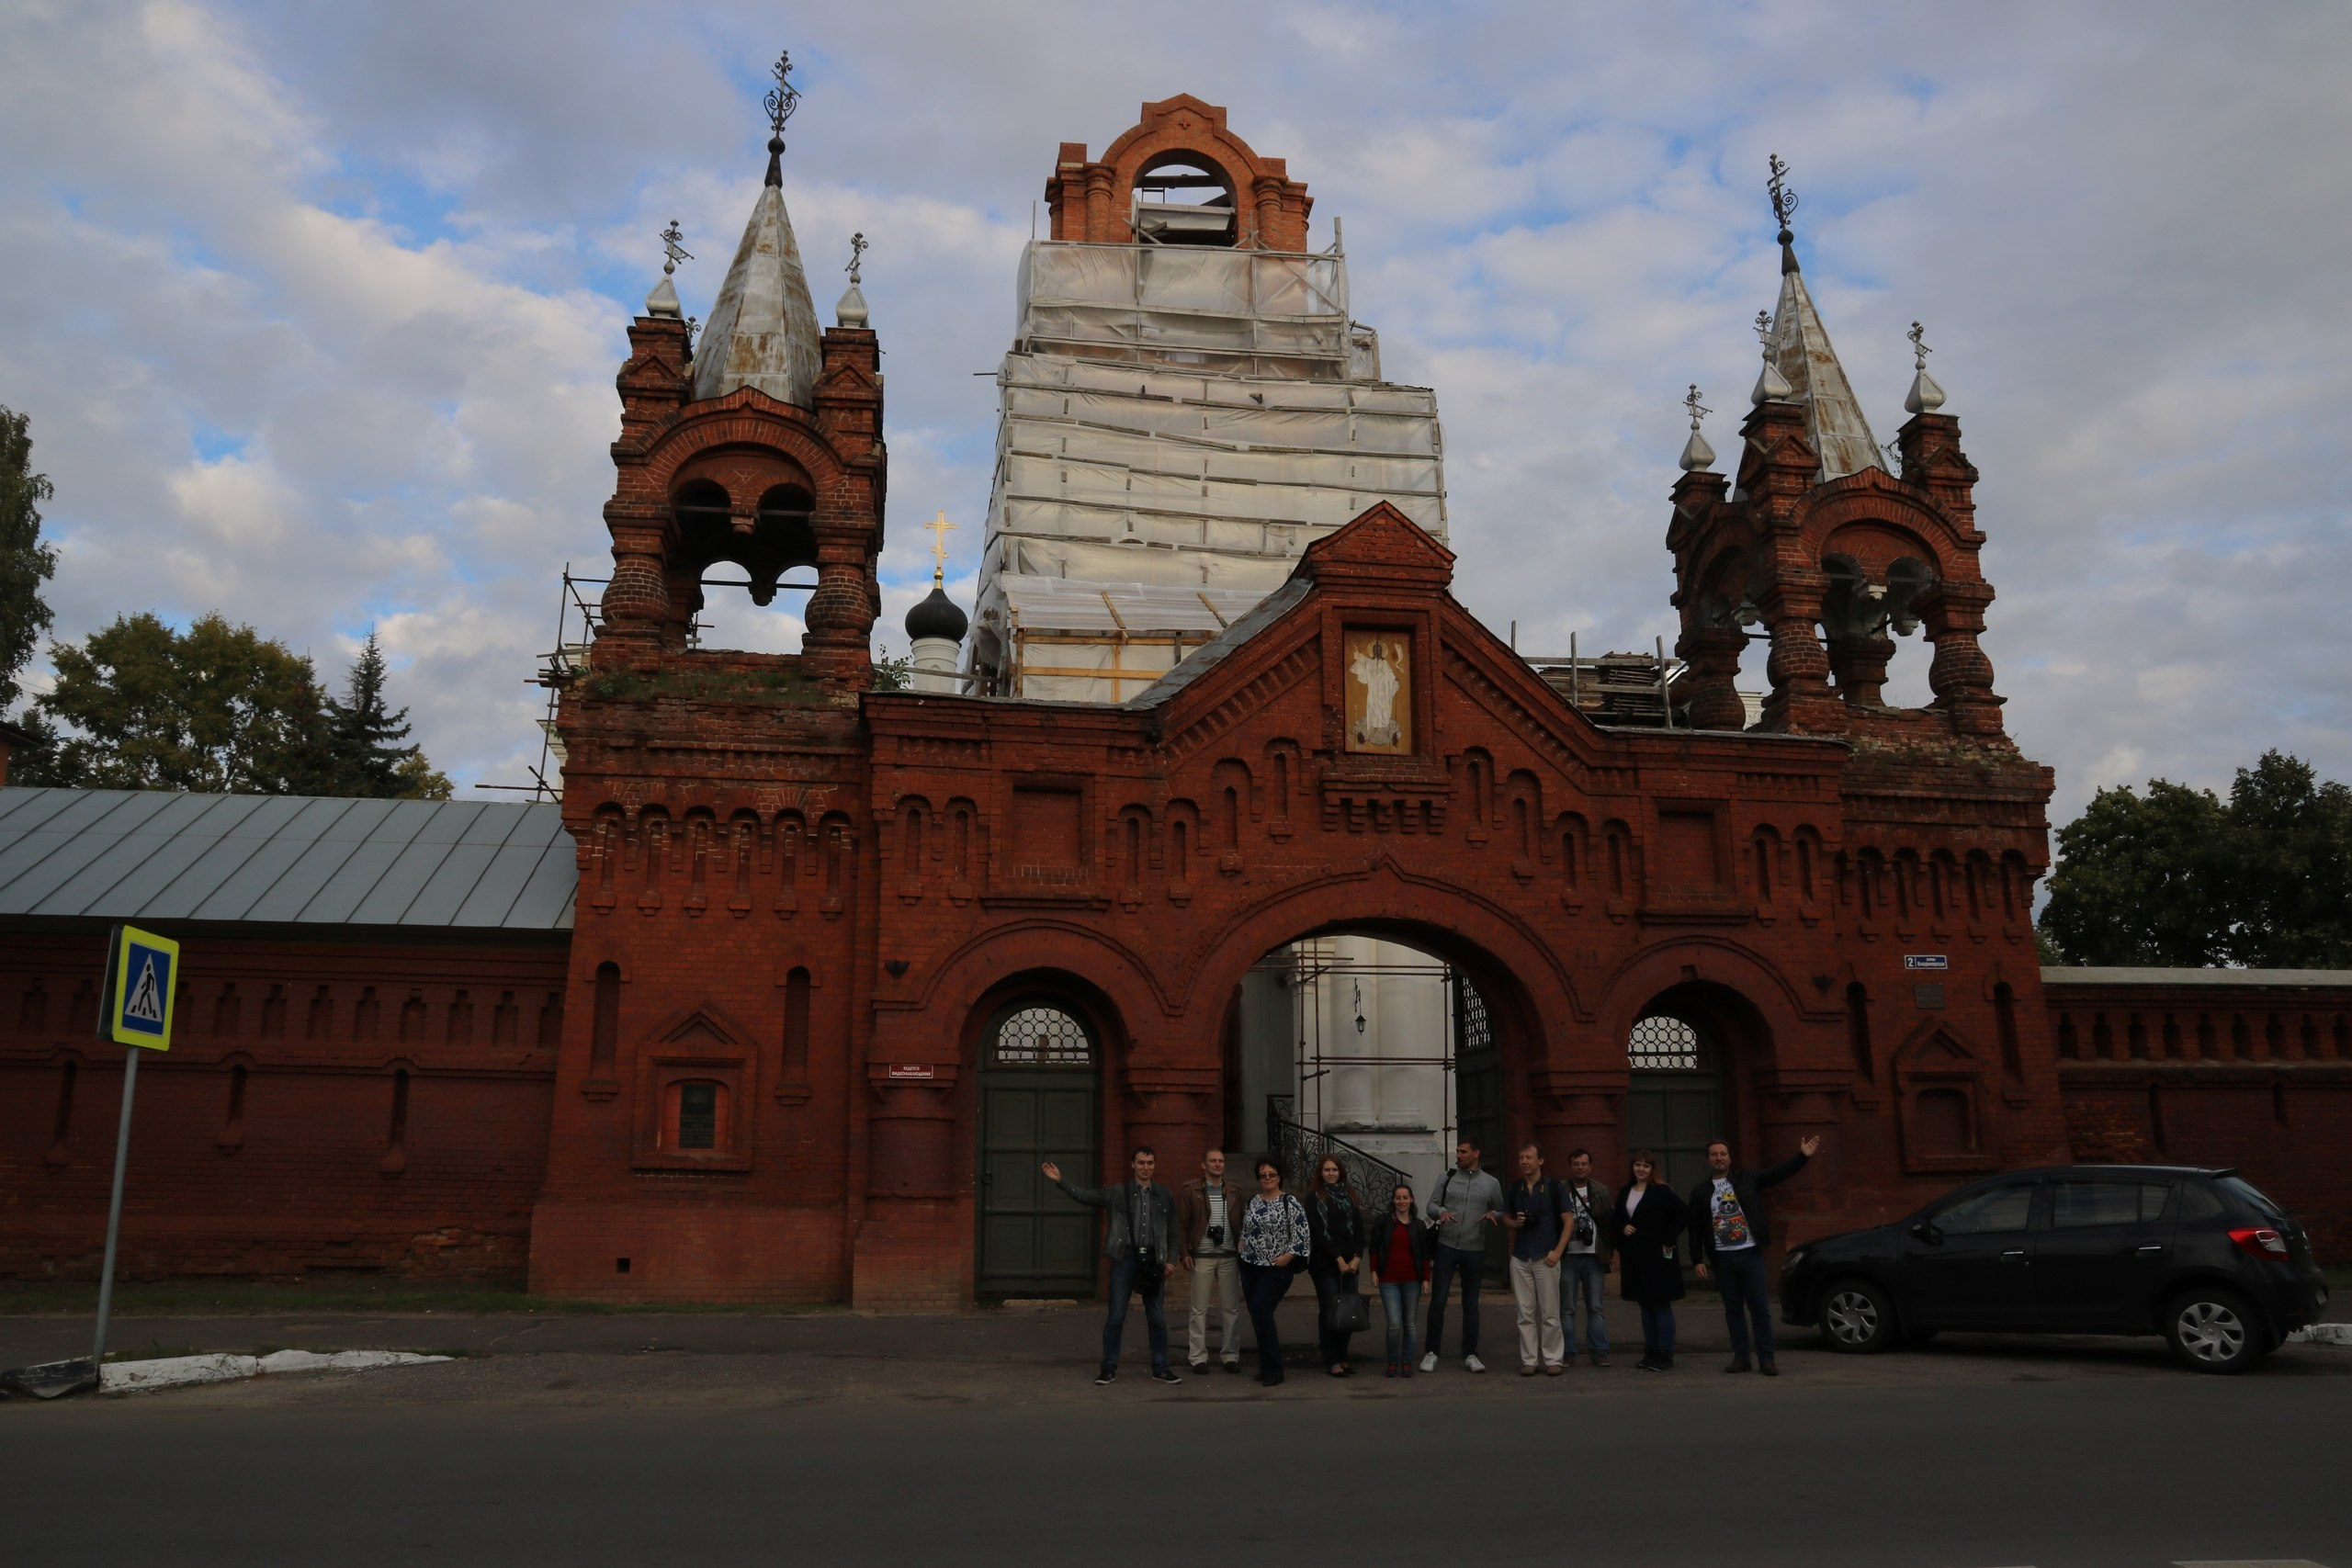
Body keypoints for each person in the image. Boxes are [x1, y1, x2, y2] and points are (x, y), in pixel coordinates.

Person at [1042, 1147, 1186, 1386]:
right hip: (1125, 1257)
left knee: (1157, 1318)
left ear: (1154, 1165)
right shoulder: (1118, 1193)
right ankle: (1108, 1368)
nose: (1146, 1167)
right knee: (1116, 1316)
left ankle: (1160, 1367)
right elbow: (1086, 1196)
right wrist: (1061, 1181)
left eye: (1150, 1163)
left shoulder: (1164, 1195)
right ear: (1133, 1165)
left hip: (1154, 1260)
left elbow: (1173, 1230)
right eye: (1141, 1162)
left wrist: (1171, 1259)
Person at [1686, 1134, 1823, 1376]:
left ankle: (1767, 1358)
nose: (1719, 1158)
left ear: (1730, 1158)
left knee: (1760, 1308)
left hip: (1749, 1253)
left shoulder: (1747, 1179)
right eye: (1714, 1155)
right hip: (1723, 1257)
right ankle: (1741, 1358)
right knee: (1733, 1309)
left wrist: (1803, 1156)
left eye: (1723, 1154)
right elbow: (1695, 1226)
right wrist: (1697, 1259)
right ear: (1708, 1160)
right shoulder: (1700, 1192)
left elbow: (1778, 1173)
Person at [1419, 1136, 1504, 1374]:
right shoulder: (1446, 1178)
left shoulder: (1490, 1183)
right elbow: (1431, 1205)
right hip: (1446, 1246)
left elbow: (1500, 1207)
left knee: (1471, 1304)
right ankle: (1431, 1352)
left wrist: (1493, 1216)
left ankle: (1470, 1353)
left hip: (1474, 1249)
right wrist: (1442, 1212)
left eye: (1463, 1151)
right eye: (1457, 1151)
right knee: (1438, 1301)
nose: (1459, 1155)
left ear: (1476, 1153)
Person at [1238, 1156, 1313, 1386]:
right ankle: (1266, 1367)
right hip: (1250, 1266)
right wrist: (1242, 1242)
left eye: (1271, 1174)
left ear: (1279, 1177)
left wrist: (1288, 1256)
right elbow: (1247, 1227)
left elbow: (1303, 1235)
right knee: (1258, 1316)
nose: (1267, 1178)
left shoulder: (1289, 1202)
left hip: (1276, 1268)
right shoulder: (1253, 1201)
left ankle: (1275, 1370)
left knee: (1261, 1310)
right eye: (1263, 1175)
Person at [1500, 1141, 1570, 1375]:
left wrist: (1558, 1251)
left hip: (1546, 1256)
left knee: (1550, 1312)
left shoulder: (1554, 1187)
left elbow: (1569, 1220)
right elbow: (1505, 1218)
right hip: (1521, 1257)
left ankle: (1553, 1359)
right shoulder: (1516, 1188)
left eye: (1529, 1157)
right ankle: (1529, 1359)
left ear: (1540, 1160)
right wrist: (1515, 1223)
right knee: (1525, 1313)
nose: (1524, 1162)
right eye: (1521, 1158)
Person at [1615, 1149, 1688, 1371]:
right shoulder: (1626, 1191)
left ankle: (1665, 1353)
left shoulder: (1662, 1192)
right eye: (1637, 1164)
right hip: (1635, 1258)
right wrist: (1622, 1227)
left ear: (1652, 1169)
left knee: (1660, 1304)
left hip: (1658, 1258)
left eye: (1646, 1165)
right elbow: (1616, 1217)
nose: (1641, 1169)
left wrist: (1667, 1237)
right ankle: (1651, 1351)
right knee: (1644, 1305)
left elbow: (1683, 1213)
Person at [1176, 1146, 1247, 1373]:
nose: (1218, 1164)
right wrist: (1184, 1253)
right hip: (1202, 1256)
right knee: (1199, 1309)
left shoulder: (1235, 1190)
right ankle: (1197, 1357)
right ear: (1203, 1165)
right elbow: (1181, 1225)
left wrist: (1242, 1244)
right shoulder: (1190, 1190)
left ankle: (1230, 1355)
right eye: (1213, 1161)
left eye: (1221, 1161)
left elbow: (1244, 1224)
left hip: (1229, 1257)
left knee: (1231, 1308)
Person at [1304, 1156, 1365, 1376]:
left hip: (1350, 1263)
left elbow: (1359, 1229)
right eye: (1327, 1170)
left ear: (1340, 1173)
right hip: (1325, 1264)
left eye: (1334, 1170)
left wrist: (1357, 1257)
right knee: (1331, 1311)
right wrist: (1338, 1259)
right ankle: (1331, 1359)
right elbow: (1318, 1233)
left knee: (1348, 1310)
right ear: (1320, 1173)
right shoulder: (1314, 1198)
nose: (1331, 1173)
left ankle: (1343, 1355)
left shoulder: (1349, 1196)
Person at [1367, 1181, 1430, 1377]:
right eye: (1398, 1198)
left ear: (1412, 1200)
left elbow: (1425, 1254)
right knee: (1394, 1324)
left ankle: (1406, 1361)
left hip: (1412, 1280)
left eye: (1405, 1197)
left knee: (1410, 1324)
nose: (1401, 1201)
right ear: (1393, 1200)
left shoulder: (1419, 1226)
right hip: (1389, 1280)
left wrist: (1426, 1279)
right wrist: (1374, 1271)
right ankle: (1393, 1361)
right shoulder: (1384, 1222)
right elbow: (1375, 1247)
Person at [1558, 1147, 1614, 1367]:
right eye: (1576, 1163)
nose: (1580, 1167)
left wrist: (1609, 1252)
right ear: (1570, 1166)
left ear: (1590, 1167)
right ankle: (1567, 1352)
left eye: (1584, 1164)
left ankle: (1599, 1351)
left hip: (1594, 1256)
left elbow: (1608, 1222)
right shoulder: (1561, 1189)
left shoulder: (1600, 1190)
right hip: (1568, 1256)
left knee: (1596, 1307)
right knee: (1567, 1308)